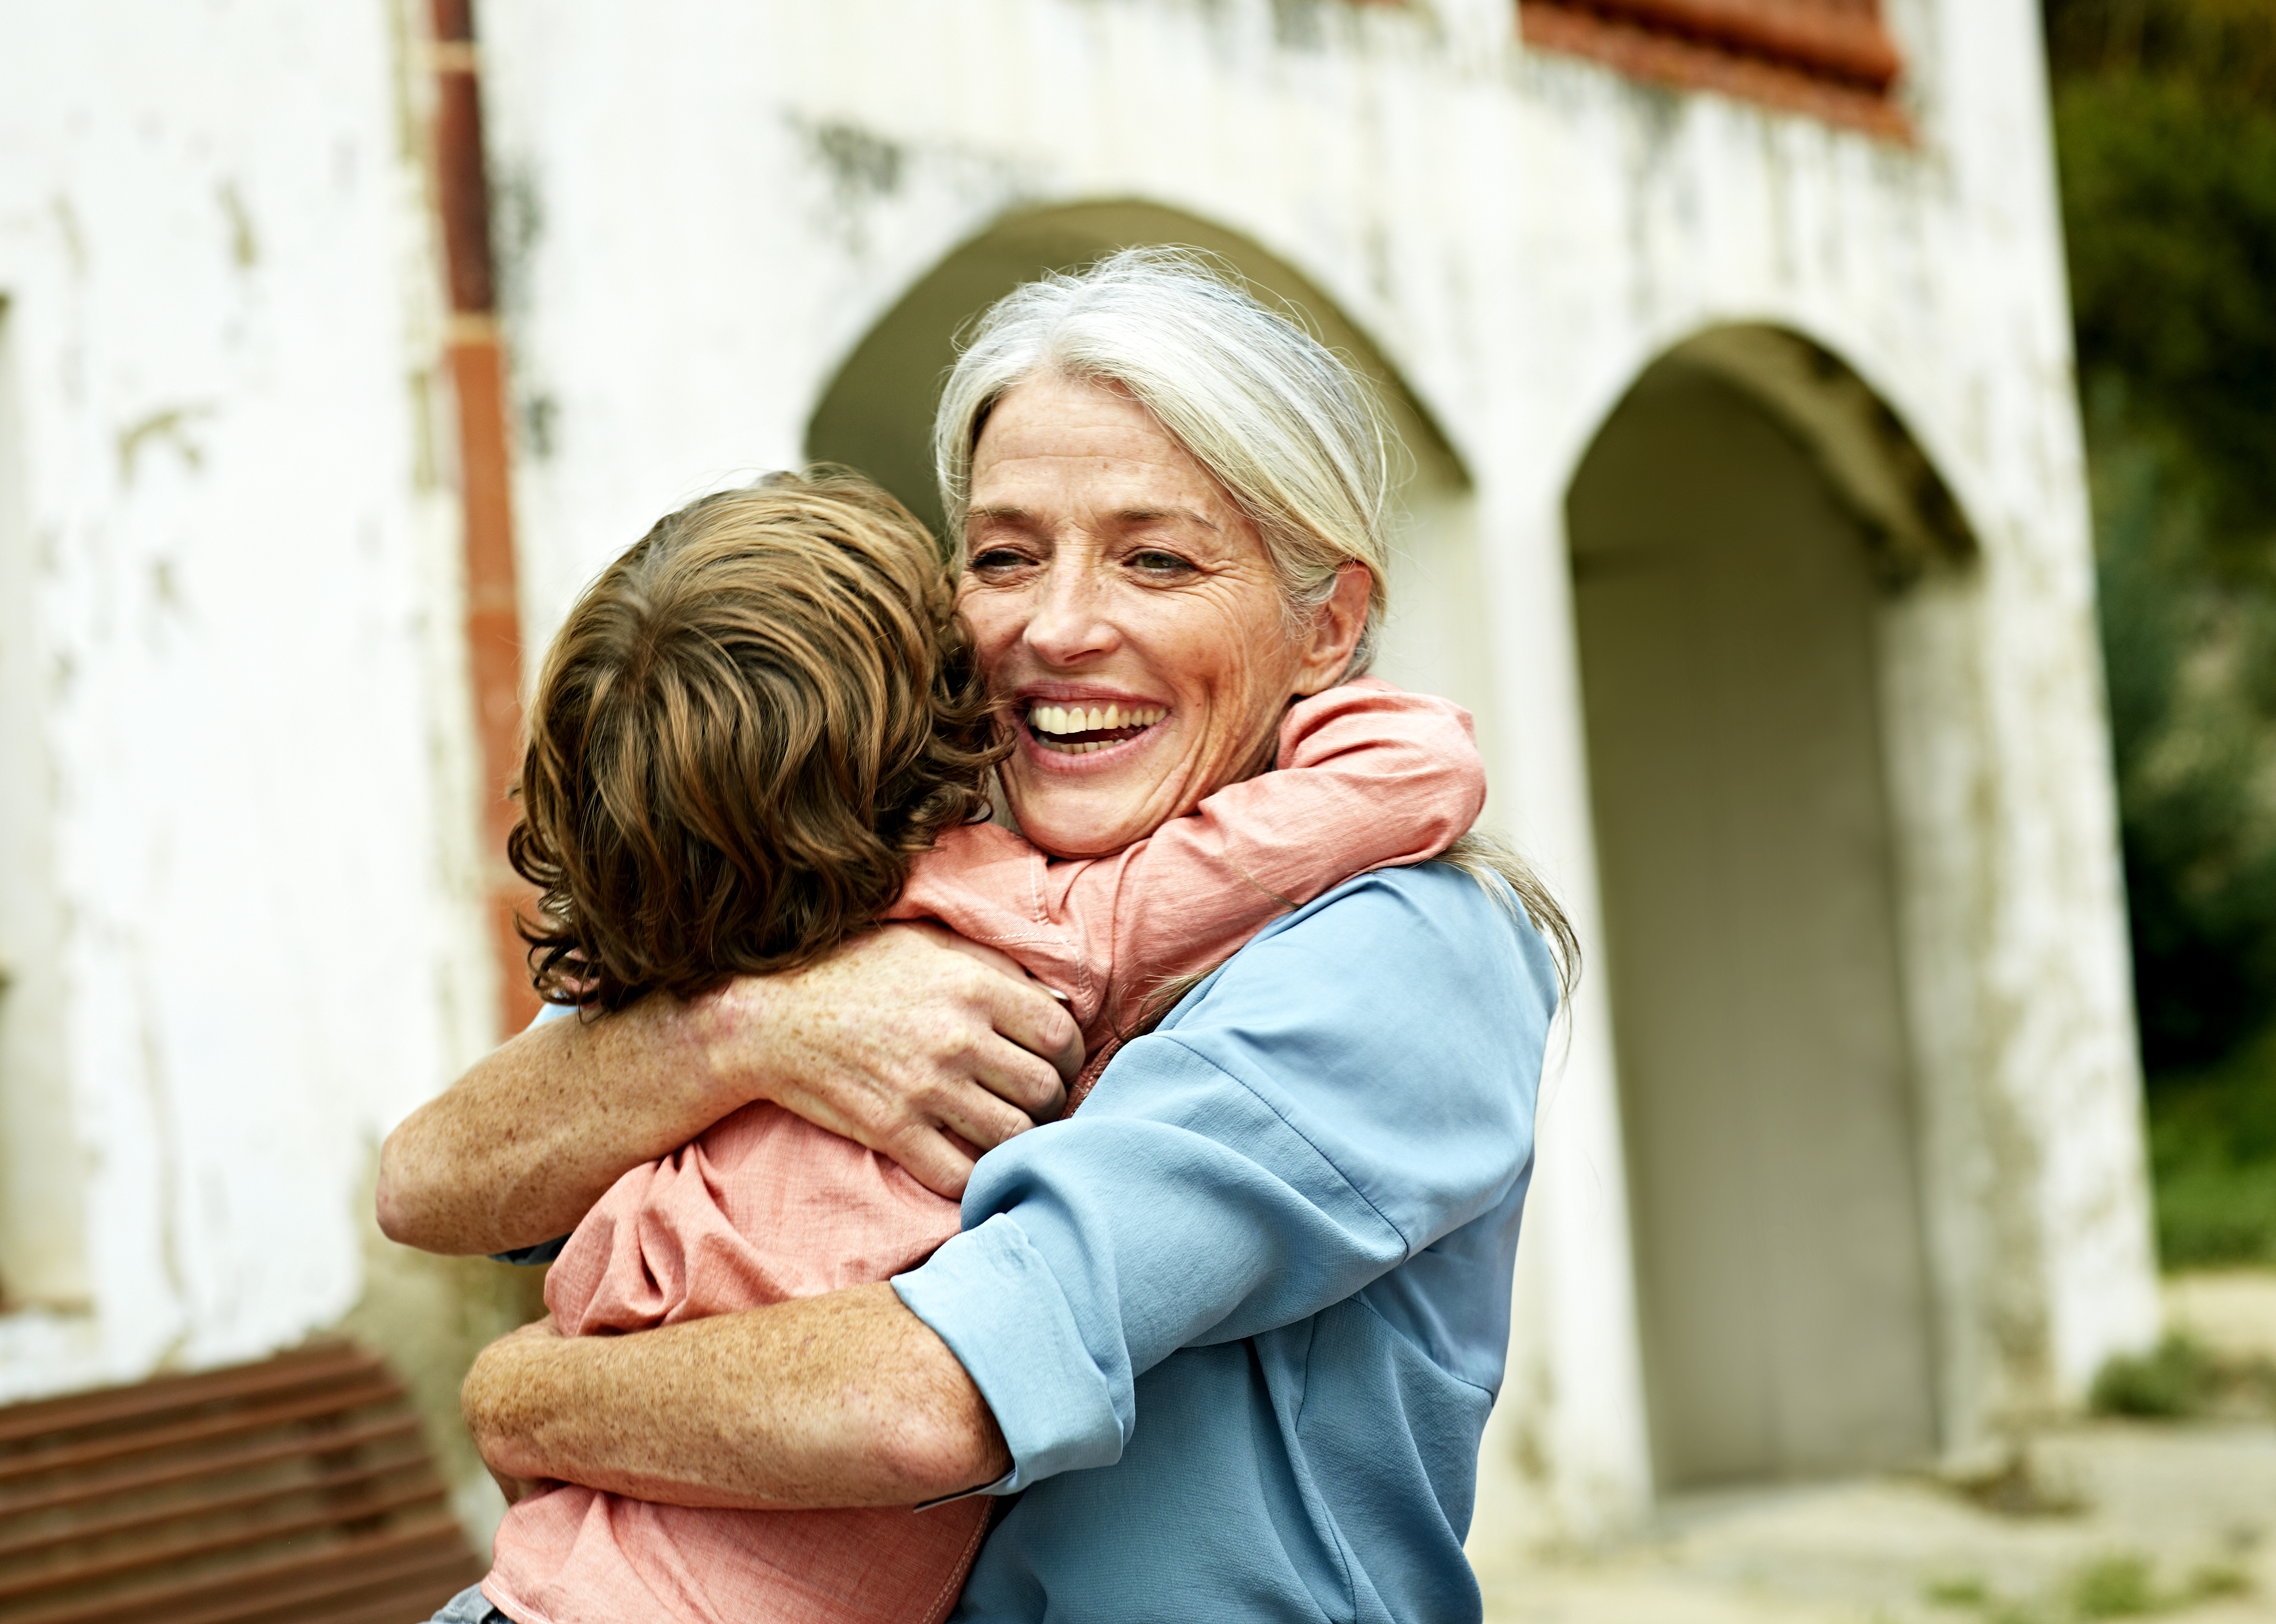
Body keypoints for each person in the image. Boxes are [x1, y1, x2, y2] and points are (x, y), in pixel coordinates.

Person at [383, 247, 1574, 1624]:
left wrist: (520, 1393)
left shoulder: (1404, 949)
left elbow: (930, 1394)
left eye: (1158, 559)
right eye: (1005, 556)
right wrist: (757, 1030)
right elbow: (436, 1181)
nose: (1059, 628)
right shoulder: (885, 874)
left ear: (1330, 626)